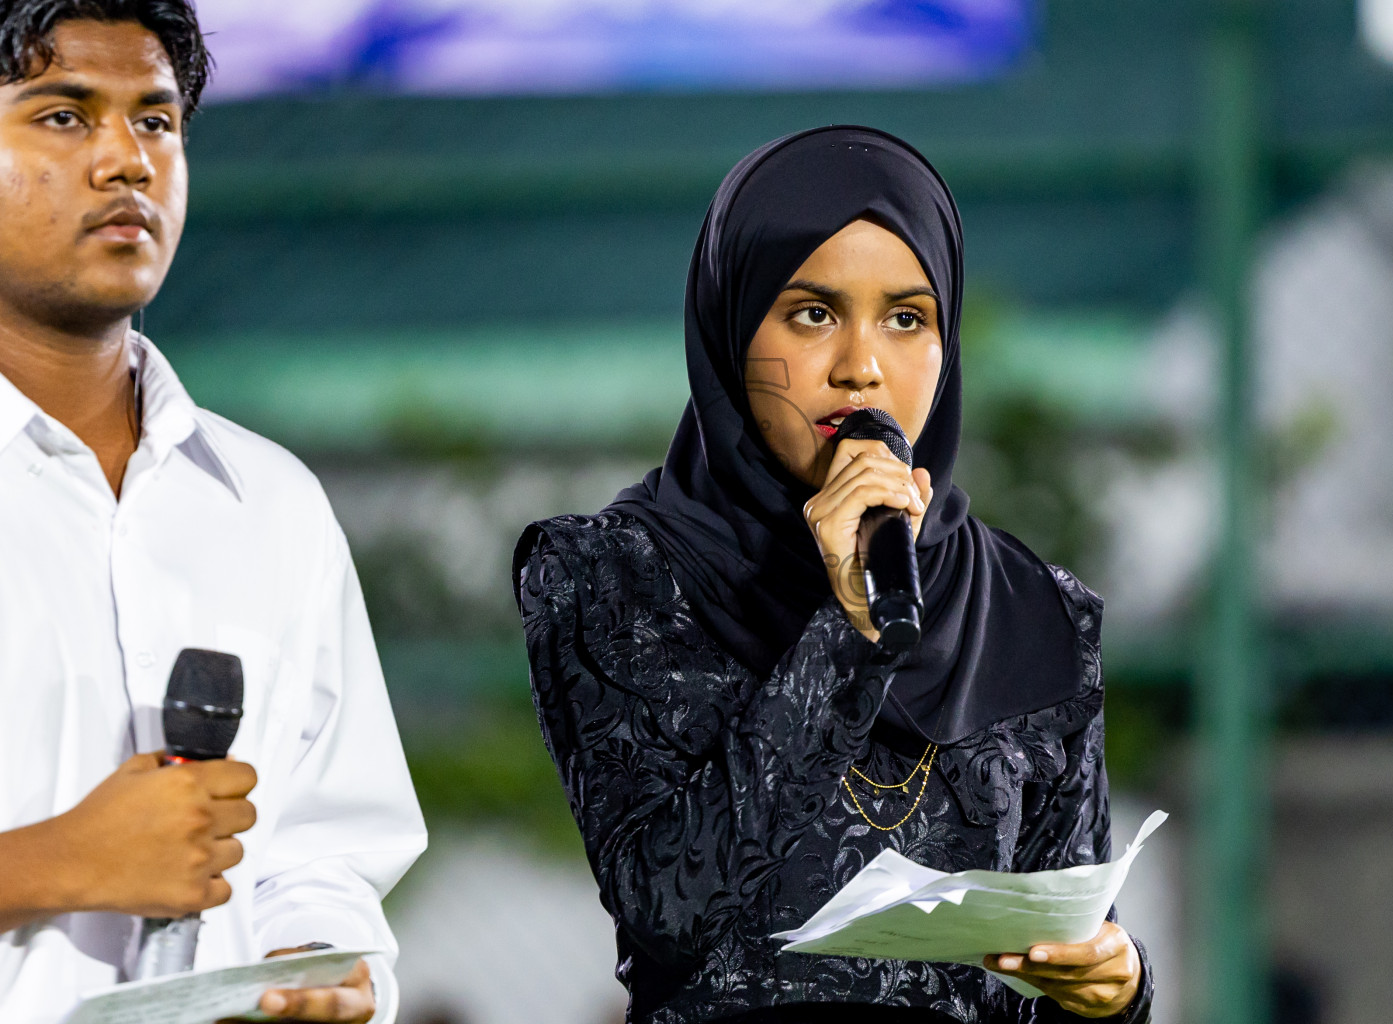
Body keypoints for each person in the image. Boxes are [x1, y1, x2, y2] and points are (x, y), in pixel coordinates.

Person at [515, 126, 1152, 1023]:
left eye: (907, 318)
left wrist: (1115, 988)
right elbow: (669, 902)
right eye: (812, 313)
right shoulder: (610, 573)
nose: (861, 368)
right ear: (731, 329)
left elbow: (1063, 948)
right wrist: (848, 633)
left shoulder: (1037, 610)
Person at [0, 3, 426, 1022]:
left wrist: (318, 967)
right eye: (63, 117)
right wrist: (53, 862)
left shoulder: (271, 504)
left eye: (155, 122)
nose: (126, 161)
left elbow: (325, 853)